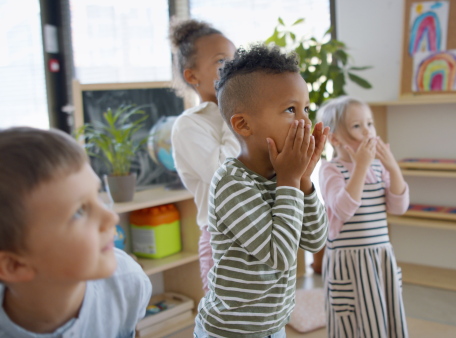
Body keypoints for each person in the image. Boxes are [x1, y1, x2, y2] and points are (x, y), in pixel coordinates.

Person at [194, 44, 329, 338]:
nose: (305, 121)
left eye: (306, 108)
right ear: (243, 124)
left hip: (272, 326)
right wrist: (291, 180)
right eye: (291, 110)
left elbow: (316, 239)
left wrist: (304, 181)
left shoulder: (283, 177)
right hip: (231, 330)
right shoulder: (232, 182)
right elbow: (280, 255)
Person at [0, 127, 152, 337]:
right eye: (79, 212)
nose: (111, 218)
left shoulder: (128, 282)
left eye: (97, 196)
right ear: (15, 265)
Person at [317, 96, 410, 338]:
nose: (368, 131)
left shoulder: (379, 168)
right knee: (353, 322)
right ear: (334, 138)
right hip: (348, 263)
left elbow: (399, 207)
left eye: (370, 123)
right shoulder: (331, 169)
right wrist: (360, 167)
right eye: (357, 126)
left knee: (383, 317)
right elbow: (343, 209)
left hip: (380, 257)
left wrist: (393, 168)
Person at [169, 19, 240, 293]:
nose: (234, 68)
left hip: (260, 230)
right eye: (222, 62)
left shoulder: (250, 115)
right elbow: (225, 175)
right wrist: (234, 110)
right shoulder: (188, 125)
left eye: (236, 59)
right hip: (222, 240)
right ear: (192, 76)